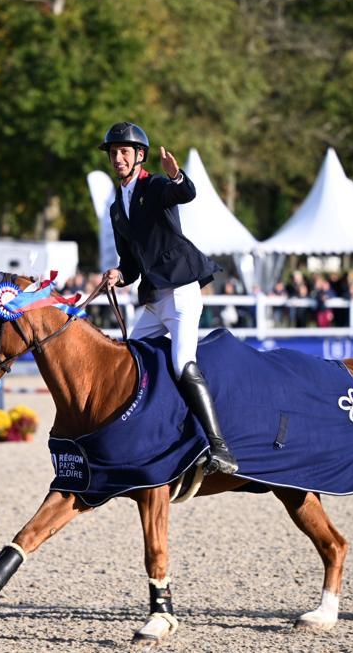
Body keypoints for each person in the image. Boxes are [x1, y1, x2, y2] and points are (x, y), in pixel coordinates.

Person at [99, 122, 238, 475]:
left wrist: (177, 178)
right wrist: (119, 274)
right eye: (114, 153)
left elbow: (184, 194)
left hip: (180, 292)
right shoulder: (117, 206)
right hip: (153, 297)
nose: (118, 158)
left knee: (181, 364)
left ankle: (220, 448)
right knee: (129, 358)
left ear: (139, 156)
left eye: (124, 152)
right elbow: (131, 263)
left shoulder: (156, 186)